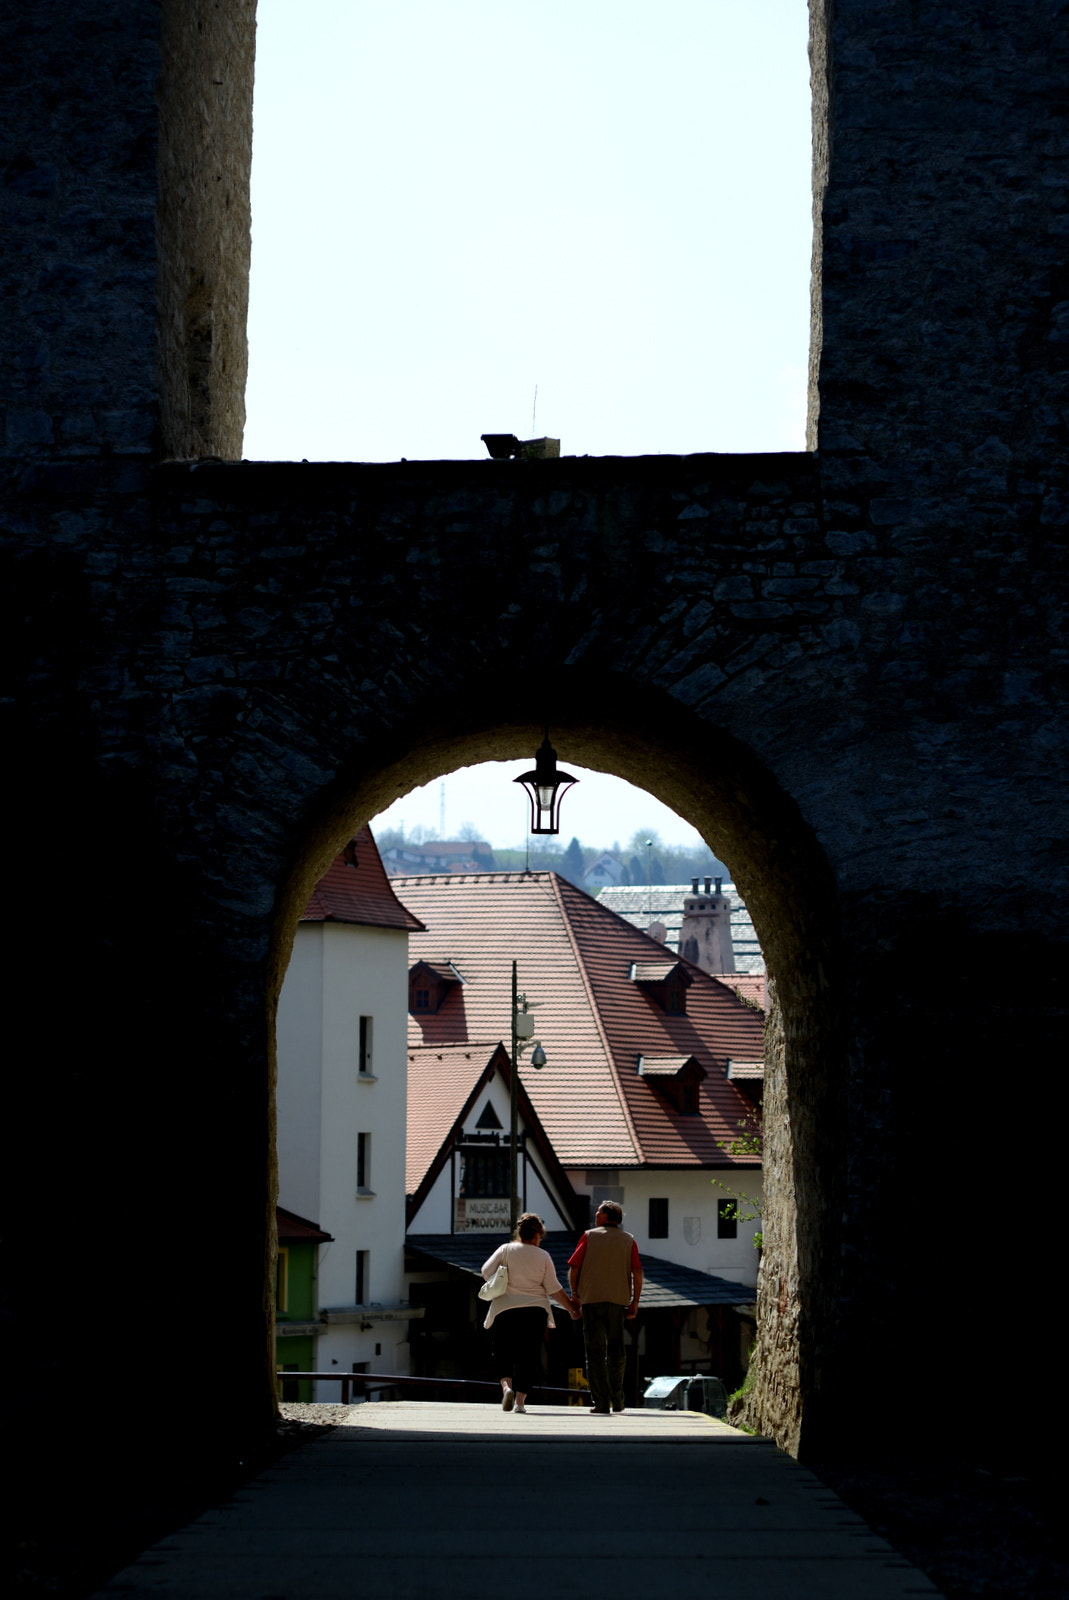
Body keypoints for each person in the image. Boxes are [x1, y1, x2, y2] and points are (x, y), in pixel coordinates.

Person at [481, 1213, 579, 1413]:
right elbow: (553, 1288)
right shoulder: (543, 1256)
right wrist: (571, 1308)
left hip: (505, 1309)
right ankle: (520, 1402)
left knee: (503, 1352)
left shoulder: (505, 1249)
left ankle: (506, 1388)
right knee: (529, 1355)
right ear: (536, 1236)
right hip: (535, 1311)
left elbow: (485, 1271)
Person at [568, 1200, 643, 1415]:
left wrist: (575, 1294)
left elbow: (574, 1267)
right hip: (618, 1301)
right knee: (617, 1350)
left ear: (607, 1217)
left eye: (599, 1211)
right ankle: (618, 1399)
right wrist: (635, 1301)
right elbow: (637, 1273)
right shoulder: (629, 1240)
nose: (596, 1214)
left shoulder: (589, 1236)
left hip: (591, 1300)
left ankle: (601, 1402)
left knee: (595, 1352)